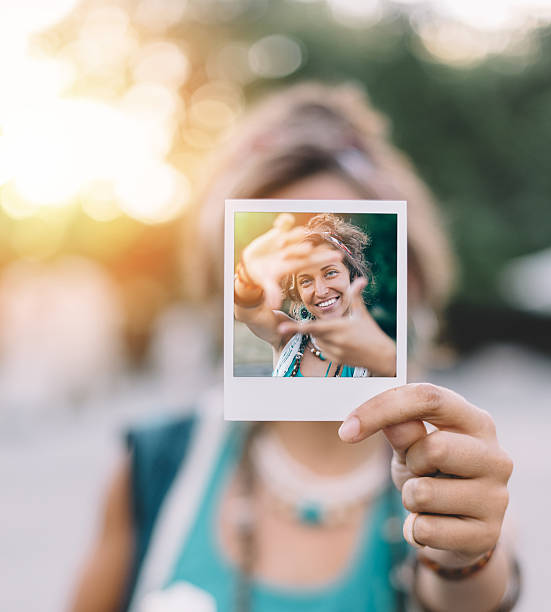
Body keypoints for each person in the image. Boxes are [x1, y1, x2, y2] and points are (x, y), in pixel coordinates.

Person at [70, 83, 518, 612]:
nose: (319, 287)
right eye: (294, 273)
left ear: (405, 274)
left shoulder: (449, 464)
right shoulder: (158, 463)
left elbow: (470, 593)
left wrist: (464, 553)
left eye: (332, 264)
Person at [234, 211, 397, 377]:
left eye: (330, 273)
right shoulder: (286, 335)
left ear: (353, 276)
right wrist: (248, 275)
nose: (320, 291)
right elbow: (248, 313)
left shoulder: (376, 353)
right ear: (298, 292)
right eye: (306, 281)